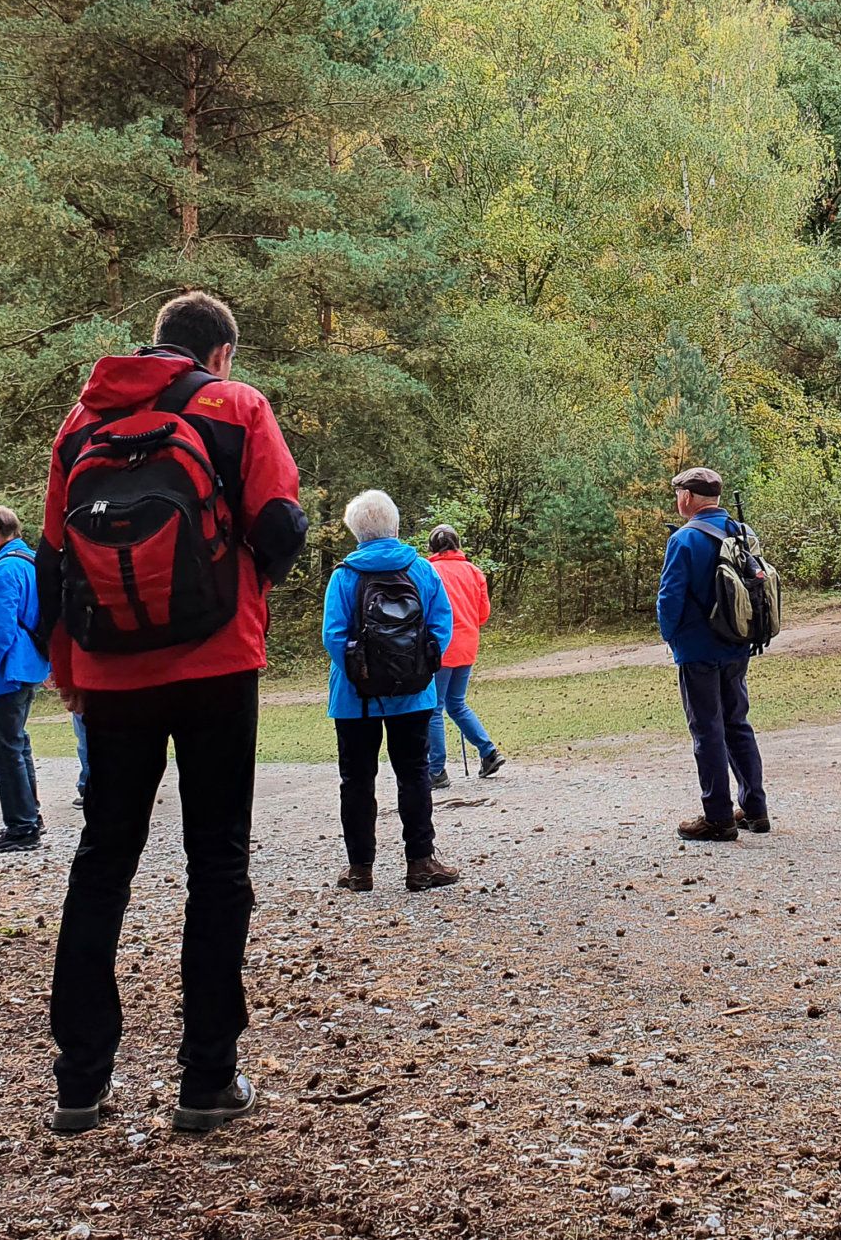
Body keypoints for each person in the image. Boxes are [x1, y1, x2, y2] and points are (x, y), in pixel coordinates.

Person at [37, 292, 307, 1137]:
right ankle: (207, 1079)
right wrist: (250, 589)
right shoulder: (234, 404)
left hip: (111, 670)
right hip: (217, 660)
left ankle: (80, 1082)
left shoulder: (79, 422)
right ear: (218, 351)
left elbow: (54, 555)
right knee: (217, 859)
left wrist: (68, 666)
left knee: (103, 856)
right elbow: (281, 522)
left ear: (157, 343)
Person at [324, 491, 459, 892]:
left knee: (357, 779)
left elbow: (333, 637)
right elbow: (441, 628)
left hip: (354, 699)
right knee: (414, 773)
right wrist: (417, 669)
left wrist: (362, 672)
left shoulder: (344, 575)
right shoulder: (420, 570)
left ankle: (360, 870)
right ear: (396, 527)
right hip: (414, 694)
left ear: (355, 532)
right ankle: (420, 863)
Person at [656, 466, 768, 842]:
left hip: (697, 647)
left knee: (707, 728)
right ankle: (755, 809)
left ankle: (718, 817)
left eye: (678, 494)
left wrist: (670, 637)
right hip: (738, 641)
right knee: (737, 723)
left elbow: (670, 596)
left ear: (687, 497)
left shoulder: (685, 539)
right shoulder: (743, 531)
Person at [0, 504, 52, 852]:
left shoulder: (1, 571)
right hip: (31, 664)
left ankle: (21, 827)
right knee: (18, 743)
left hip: (8, 669)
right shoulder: (32, 561)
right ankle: (30, 816)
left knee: (4, 749)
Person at [423, 524, 502, 788]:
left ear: (432, 547)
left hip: (439, 648)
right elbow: (483, 615)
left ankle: (436, 771)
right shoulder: (474, 571)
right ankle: (489, 752)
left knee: (435, 708)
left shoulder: (427, 571)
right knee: (456, 704)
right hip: (467, 646)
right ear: (457, 545)